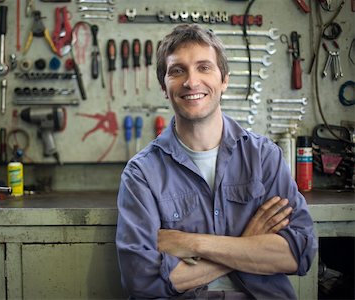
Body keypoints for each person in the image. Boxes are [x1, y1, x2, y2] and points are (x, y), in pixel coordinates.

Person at [115, 24, 317, 299]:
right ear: (164, 87)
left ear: (224, 80)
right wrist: (247, 244)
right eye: (177, 70)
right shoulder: (142, 173)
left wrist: (192, 243)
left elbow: (299, 253)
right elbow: (141, 280)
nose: (191, 81)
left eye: (204, 67)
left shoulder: (264, 156)